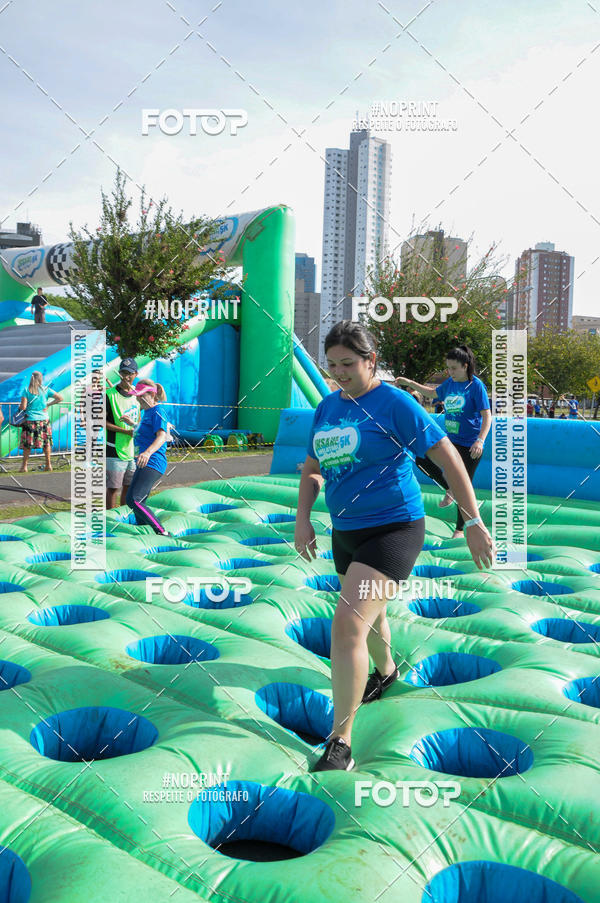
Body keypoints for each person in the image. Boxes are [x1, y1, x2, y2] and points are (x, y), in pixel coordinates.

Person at [295, 321, 494, 772]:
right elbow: (311, 468)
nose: (340, 373)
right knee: (373, 614)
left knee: (347, 622)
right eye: (332, 365)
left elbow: (447, 456)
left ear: (371, 362)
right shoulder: (327, 407)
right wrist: (303, 517)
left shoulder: (395, 403)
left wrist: (474, 519)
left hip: (394, 529)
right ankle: (385, 673)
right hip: (346, 531)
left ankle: (340, 741)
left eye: (348, 363)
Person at [396, 345, 491, 539]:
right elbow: (432, 393)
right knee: (422, 459)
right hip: (450, 441)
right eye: (448, 368)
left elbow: (487, 416)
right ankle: (449, 488)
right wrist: (410, 383)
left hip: (470, 445)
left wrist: (480, 441)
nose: (450, 372)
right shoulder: (450, 383)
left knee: (465, 486)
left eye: (454, 368)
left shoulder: (475, 386)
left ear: (465, 366)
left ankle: (459, 529)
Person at [126, 378, 170, 535]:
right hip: (143, 462)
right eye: (137, 395)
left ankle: (161, 531)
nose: (137, 398)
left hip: (153, 461)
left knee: (134, 499)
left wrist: (147, 452)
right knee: (135, 499)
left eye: (141, 395)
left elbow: (161, 436)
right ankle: (142, 531)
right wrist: (132, 423)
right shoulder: (147, 412)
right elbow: (143, 432)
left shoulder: (158, 411)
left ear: (152, 394)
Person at [105, 358, 141, 509]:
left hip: (132, 449)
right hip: (114, 448)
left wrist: (135, 429)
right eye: (123, 373)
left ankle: (123, 514)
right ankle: (110, 518)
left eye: (130, 374)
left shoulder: (138, 395)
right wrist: (125, 431)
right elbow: (101, 422)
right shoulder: (109, 394)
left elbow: (138, 418)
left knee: (129, 486)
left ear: (135, 374)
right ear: (119, 373)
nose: (126, 377)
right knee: (113, 487)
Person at [17, 371, 63, 472]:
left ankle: (24, 467)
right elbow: (60, 398)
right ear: (40, 379)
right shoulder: (45, 390)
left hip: (30, 420)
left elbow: (23, 407)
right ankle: (48, 465)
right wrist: (48, 404)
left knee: (27, 445)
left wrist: (20, 407)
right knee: (46, 443)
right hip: (44, 420)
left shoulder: (26, 390)